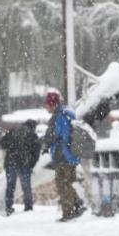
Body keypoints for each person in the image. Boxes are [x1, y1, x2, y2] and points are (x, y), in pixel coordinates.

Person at [43, 92, 85, 222]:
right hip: (71, 154)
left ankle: (69, 213)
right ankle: (77, 206)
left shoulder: (59, 116)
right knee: (68, 182)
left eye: (46, 104)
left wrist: (46, 142)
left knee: (62, 184)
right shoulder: (68, 114)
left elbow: (56, 134)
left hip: (63, 155)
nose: (45, 107)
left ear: (52, 104)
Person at [0, 119, 41, 216]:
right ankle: (28, 207)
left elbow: (2, 144)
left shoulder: (13, 131)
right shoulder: (33, 135)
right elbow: (36, 153)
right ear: (33, 127)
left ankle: (8, 207)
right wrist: (31, 165)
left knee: (10, 187)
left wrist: (12, 146)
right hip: (23, 164)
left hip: (10, 163)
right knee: (26, 187)